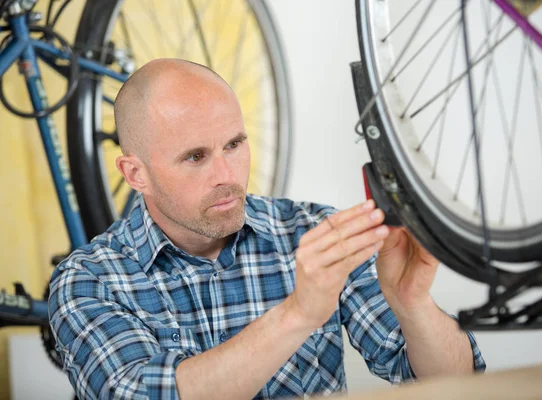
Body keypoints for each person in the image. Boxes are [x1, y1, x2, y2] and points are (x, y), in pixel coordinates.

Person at [48, 58, 485, 400]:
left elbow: (455, 384)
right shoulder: (89, 281)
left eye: (234, 144)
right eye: (195, 157)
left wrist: (413, 304)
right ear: (135, 173)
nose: (227, 174)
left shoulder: (312, 232)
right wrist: (298, 314)